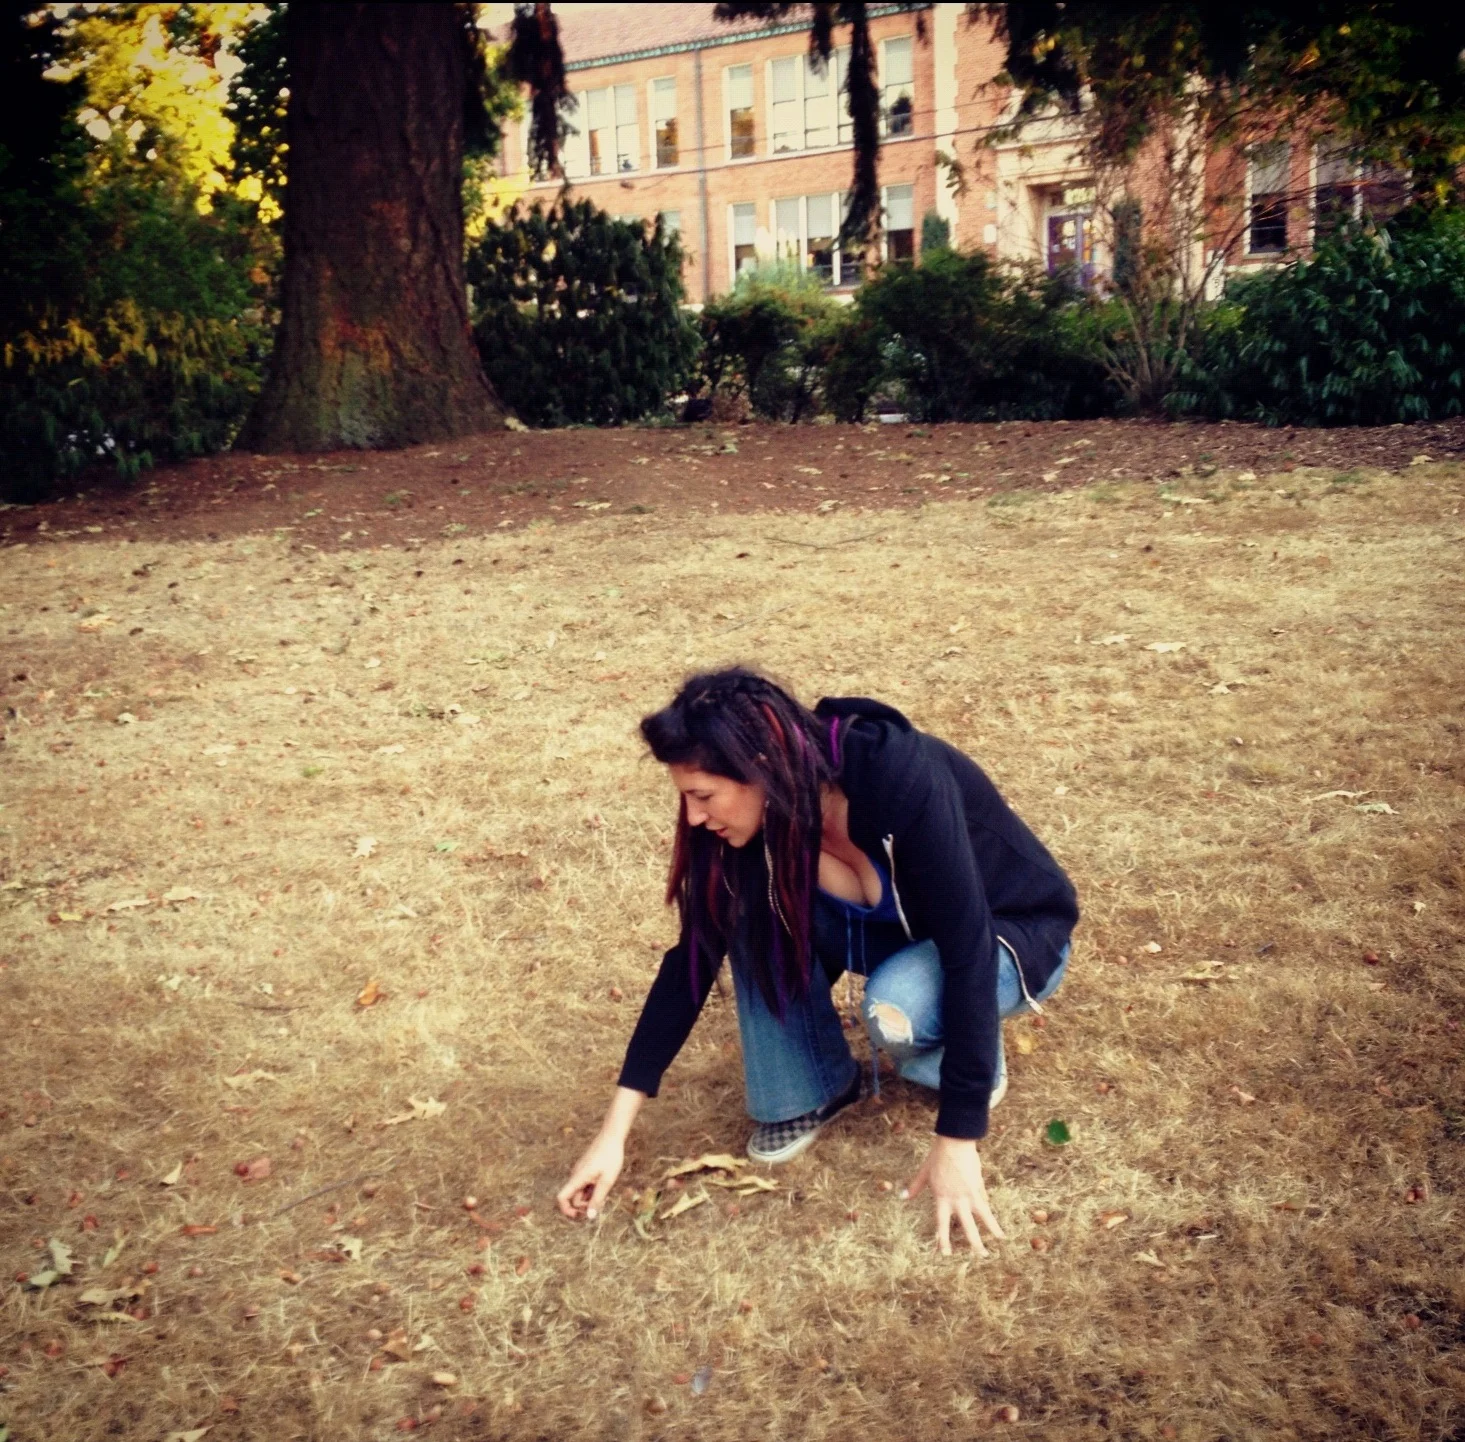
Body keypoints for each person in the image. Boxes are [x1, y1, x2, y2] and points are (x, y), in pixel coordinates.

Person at [556, 668, 1078, 1254]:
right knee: (747, 917)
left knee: (896, 1006)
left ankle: (968, 1057)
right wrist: (613, 1135)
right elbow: (693, 957)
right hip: (901, 935)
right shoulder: (763, 808)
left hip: (1008, 935)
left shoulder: (896, 774)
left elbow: (968, 947)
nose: (694, 817)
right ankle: (822, 1083)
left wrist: (959, 1135)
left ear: (760, 765)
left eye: (702, 795)